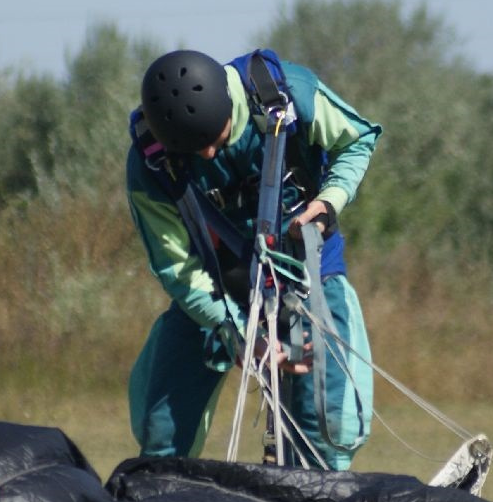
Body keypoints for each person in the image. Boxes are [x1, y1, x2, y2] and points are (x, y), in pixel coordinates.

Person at [125, 48, 381, 471]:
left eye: (217, 139)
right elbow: (177, 267)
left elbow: (358, 139)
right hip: (214, 289)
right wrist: (237, 332)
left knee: (330, 428)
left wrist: (328, 201)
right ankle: (158, 499)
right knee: (162, 431)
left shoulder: (288, 94)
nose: (208, 155)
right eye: (194, 150)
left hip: (307, 276)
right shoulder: (151, 165)